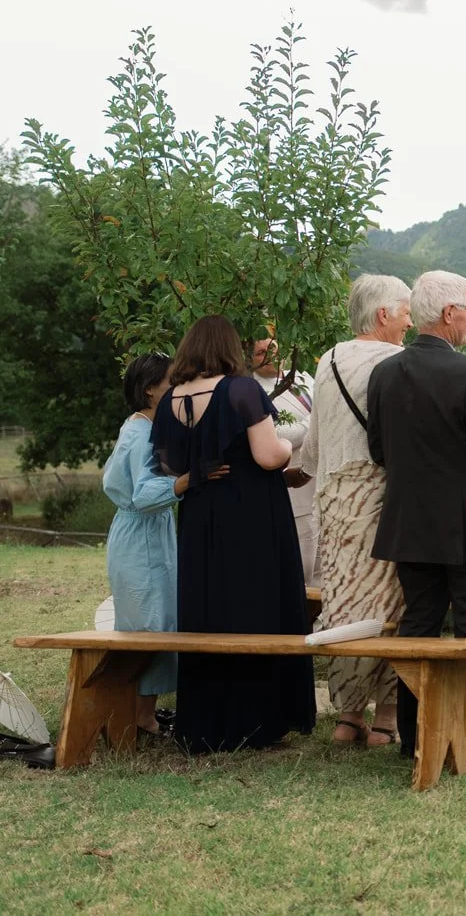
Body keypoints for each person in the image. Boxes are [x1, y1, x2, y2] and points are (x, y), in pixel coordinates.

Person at [367, 270, 466, 759]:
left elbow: (378, 450)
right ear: (451, 312)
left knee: (419, 625)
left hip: (410, 521)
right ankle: (462, 735)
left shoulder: (384, 373)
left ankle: (414, 735)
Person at [152, 315, 316, 753]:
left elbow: (169, 464)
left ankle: (207, 721)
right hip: (252, 512)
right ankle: (257, 720)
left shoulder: (171, 398)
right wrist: (286, 448)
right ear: (229, 349)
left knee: (209, 603)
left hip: (202, 511)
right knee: (255, 602)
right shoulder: (241, 390)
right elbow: (267, 455)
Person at [302, 273, 412, 747]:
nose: (410, 321)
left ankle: (348, 715)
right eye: (406, 311)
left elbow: (313, 444)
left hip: (334, 498)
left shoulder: (328, 359)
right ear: (384, 314)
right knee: (392, 600)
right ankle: (386, 715)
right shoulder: (400, 361)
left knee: (344, 601)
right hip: (384, 496)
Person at [102, 353, 196, 738]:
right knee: (147, 626)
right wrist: (189, 481)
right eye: (171, 381)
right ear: (150, 391)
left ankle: (143, 714)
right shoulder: (142, 433)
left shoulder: (142, 426)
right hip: (140, 535)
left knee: (156, 621)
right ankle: (136, 716)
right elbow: (143, 494)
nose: (177, 388)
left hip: (146, 533)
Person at [251, 338, 319, 586]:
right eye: (260, 353)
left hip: (320, 487)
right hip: (294, 494)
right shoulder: (255, 391)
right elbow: (277, 435)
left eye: (273, 349)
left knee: (323, 572)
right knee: (301, 568)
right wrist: (315, 422)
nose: (269, 356)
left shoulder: (303, 378)